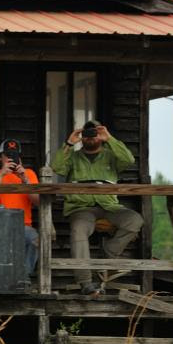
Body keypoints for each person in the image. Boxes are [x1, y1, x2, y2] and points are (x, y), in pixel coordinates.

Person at [51, 120, 143, 295]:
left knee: (134, 220)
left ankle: (110, 252)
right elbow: (56, 167)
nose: (91, 137)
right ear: (82, 137)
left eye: (94, 133)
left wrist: (109, 138)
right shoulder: (73, 157)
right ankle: (85, 281)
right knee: (78, 230)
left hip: (109, 205)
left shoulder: (111, 155)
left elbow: (129, 159)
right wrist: (69, 143)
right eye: (87, 134)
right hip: (81, 206)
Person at [0, 138, 39, 276]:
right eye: (7, 156)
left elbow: (38, 201)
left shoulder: (29, 174)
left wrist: (24, 179)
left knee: (35, 239)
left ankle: (23, 277)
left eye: (13, 156)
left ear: (19, 157)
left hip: (23, 225)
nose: (10, 159)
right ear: (1, 158)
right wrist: (2, 175)